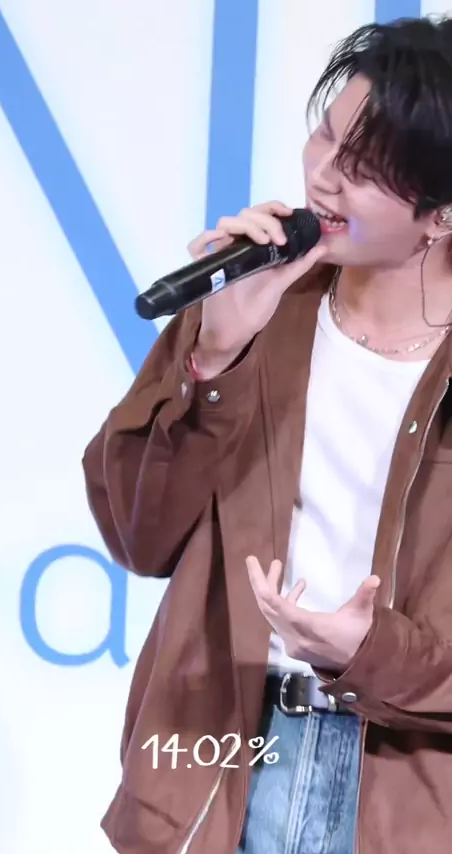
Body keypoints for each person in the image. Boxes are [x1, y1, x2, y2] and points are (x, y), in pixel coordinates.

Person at [82, 15, 452, 854]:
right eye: (325, 137)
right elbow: (138, 536)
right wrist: (213, 356)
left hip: (411, 796)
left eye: (363, 170)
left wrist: (372, 653)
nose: (323, 176)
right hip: (227, 761)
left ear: (439, 213)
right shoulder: (253, 305)